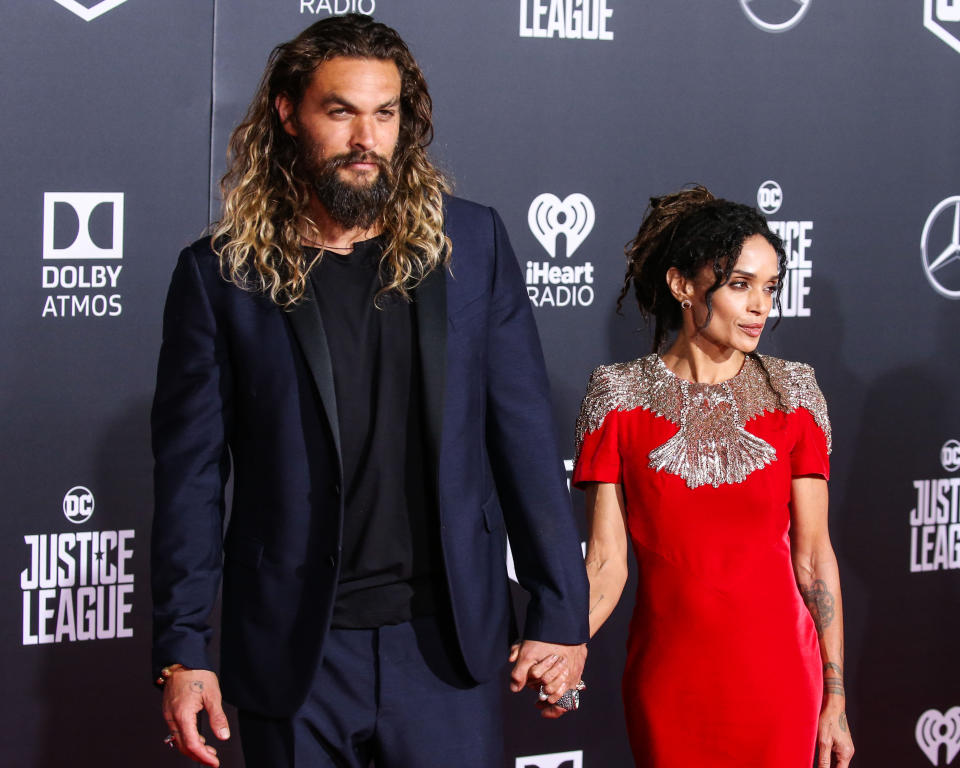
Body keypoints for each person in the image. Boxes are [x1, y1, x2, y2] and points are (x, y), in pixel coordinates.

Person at [151, 14, 588, 767]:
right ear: (288, 113)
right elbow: (190, 479)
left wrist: (561, 612)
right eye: (340, 111)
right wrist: (182, 652)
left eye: (384, 114)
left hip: (446, 645)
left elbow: (522, 436)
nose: (366, 139)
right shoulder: (222, 274)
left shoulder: (471, 245)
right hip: (296, 653)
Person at [572, 186, 855, 768]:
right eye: (740, 284)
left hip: (780, 678)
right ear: (682, 286)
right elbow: (605, 562)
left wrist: (835, 695)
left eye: (771, 287)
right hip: (670, 680)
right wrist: (564, 644)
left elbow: (813, 558)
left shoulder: (793, 392)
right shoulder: (617, 398)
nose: (761, 307)